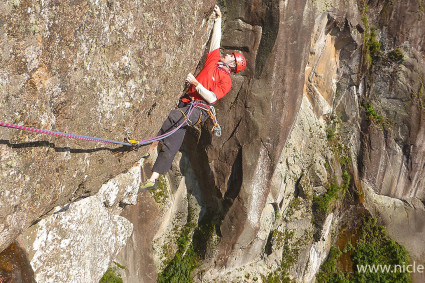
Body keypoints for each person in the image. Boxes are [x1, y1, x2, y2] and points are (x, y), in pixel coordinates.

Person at [139, 5, 247, 191]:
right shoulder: (214, 61)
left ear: (232, 65)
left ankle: (144, 148)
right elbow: (216, 41)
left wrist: (197, 84)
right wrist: (219, 18)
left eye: (231, 56)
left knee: (169, 120)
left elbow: (212, 97)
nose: (227, 55)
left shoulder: (226, 81)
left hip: (198, 109)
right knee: (174, 141)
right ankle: (153, 178)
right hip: (187, 103)